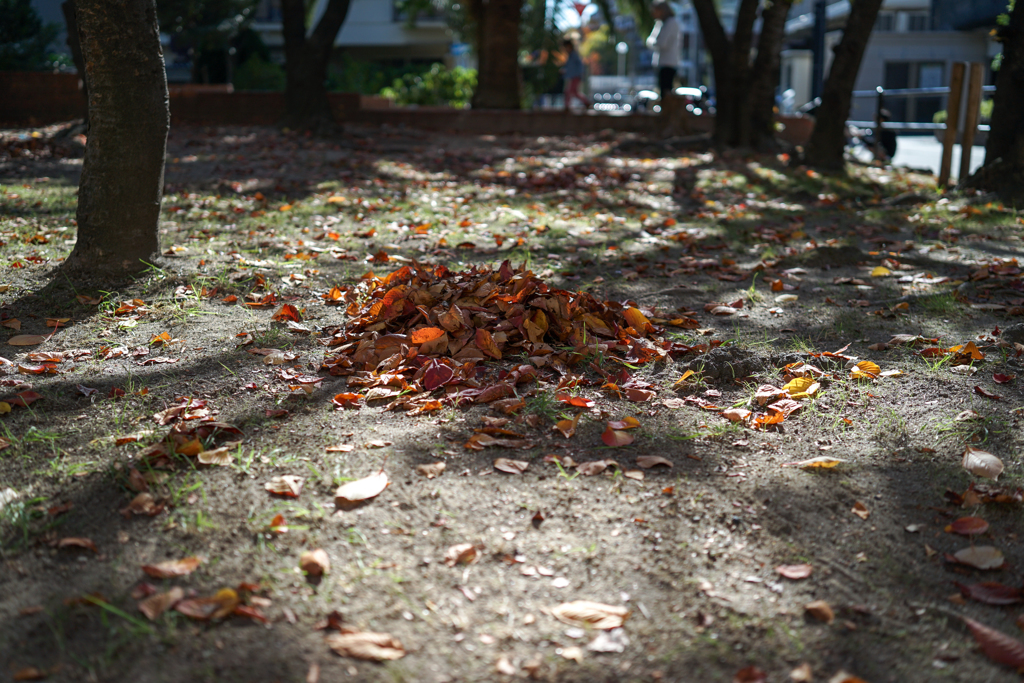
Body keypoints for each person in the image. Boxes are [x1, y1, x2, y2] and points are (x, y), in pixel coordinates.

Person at [646, 2, 681, 98]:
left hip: (668, 64)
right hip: (661, 63)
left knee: (666, 92)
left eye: (655, 11)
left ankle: (667, 110)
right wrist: (654, 42)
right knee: (662, 91)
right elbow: (651, 40)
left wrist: (653, 42)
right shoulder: (660, 23)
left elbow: (661, 43)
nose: (653, 13)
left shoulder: (671, 23)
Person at [560, 38, 589, 112]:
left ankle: (567, 106)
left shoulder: (573, 55)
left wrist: (580, 74)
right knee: (574, 92)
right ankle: (586, 102)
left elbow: (579, 65)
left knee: (569, 91)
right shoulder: (570, 56)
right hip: (573, 76)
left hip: (576, 76)